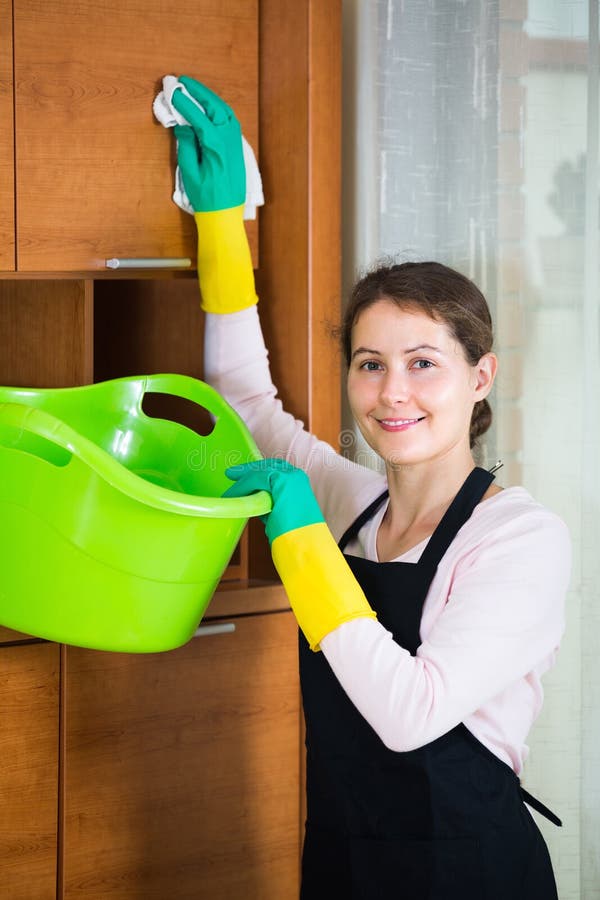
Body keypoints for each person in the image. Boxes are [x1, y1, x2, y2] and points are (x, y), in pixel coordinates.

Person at [169, 76, 571, 900]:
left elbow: (413, 713)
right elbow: (247, 407)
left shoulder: (520, 540)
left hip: (471, 874)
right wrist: (222, 228)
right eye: (370, 364)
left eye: (424, 364)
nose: (393, 392)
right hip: (348, 864)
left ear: (480, 376)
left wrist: (302, 543)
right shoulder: (358, 508)